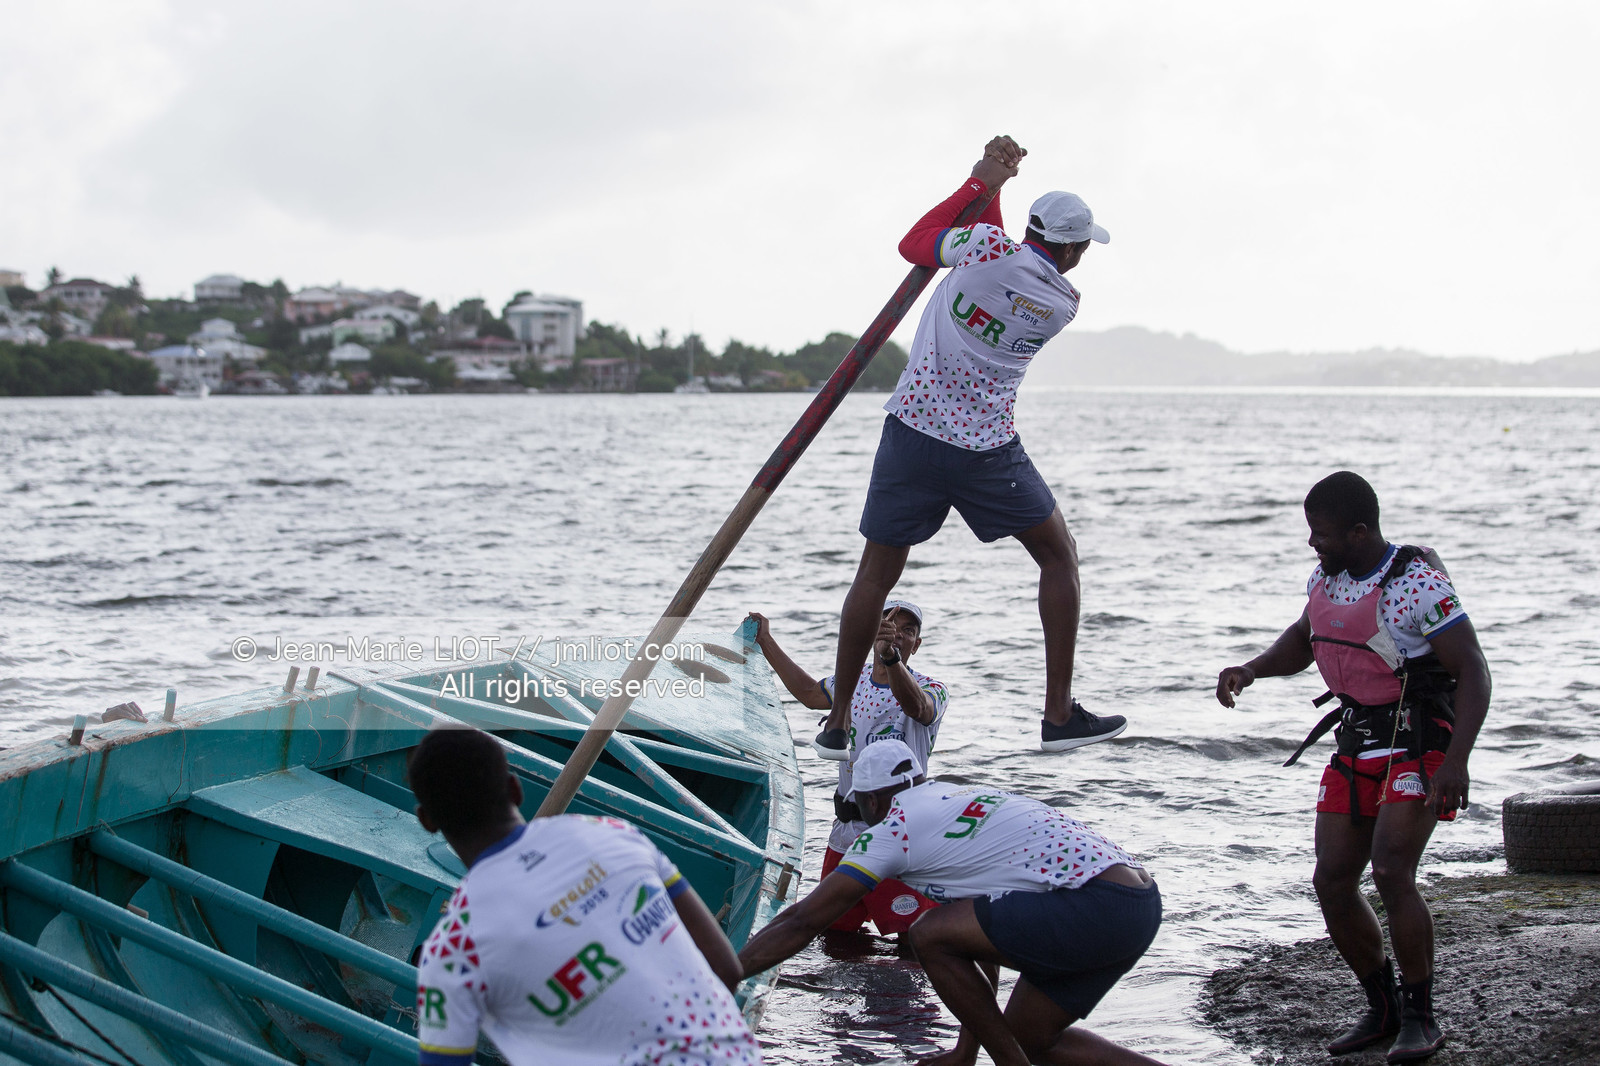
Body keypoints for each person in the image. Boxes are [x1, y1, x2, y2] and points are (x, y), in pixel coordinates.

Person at [814, 134, 1124, 761]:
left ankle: (839, 719)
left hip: (913, 436)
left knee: (875, 575)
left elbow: (919, 244)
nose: (1084, 255)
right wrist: (995, 187)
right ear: (1065, 248)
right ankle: (1058, 714)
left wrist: (980, 183)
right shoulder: (1064, 300)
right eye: (1083, 245)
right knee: (1060, 556)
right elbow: (998, 254)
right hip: (987, 449)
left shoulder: (986, 254)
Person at [1214, 471, 1491, 1064]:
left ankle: (1422, 1017)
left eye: (1324, 534)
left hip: (1420, 743)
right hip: (1358, 739)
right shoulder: (1326, 577)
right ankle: (1383, 1007)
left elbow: (1474, 671)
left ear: (1360, 532)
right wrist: (1253, 668)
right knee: (1332, 880)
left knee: (1392, 871)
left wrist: (1457, 764)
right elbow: (1305, 635)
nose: (1313, 543)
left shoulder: (1417, 584)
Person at [739, 739, 1165, 1066]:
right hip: (1138, 901)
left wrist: (724, 972)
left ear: (870, 801)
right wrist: (964, 1051)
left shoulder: (891, 829)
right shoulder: (960, 798)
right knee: (1032, 1037)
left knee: (928, 933)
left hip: (1094, 903)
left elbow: (802, 920)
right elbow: (981, 940)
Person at [407, 725, 761, 1066]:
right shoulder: (615, 835)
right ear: (514, 789)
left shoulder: (454, 947)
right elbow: (726, 969)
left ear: (426, 821)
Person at [749, 599, 948, 936]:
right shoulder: (849, 683)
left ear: (917, 644)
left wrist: (890, 659)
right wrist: (765, 640)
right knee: (835, 935)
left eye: (908, 631)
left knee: (912, 940)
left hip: (900, 834)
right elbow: (810, 693)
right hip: (846, 830)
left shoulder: (933, 689)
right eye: (889, 625)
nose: (897, 634)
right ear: (869, 631)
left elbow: (917, 707)